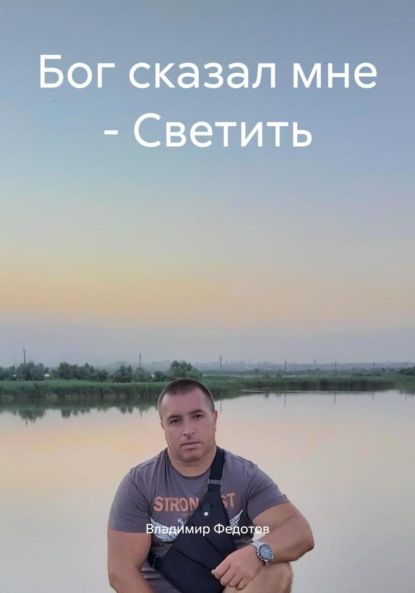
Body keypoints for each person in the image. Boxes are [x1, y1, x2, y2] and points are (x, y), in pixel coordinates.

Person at [107, 378, 314, 593]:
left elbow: (299, 532)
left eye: (197, 416)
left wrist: (257, 552)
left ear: (214, 418)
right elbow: (121, 572)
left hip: (232, 590)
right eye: (175, 421)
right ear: (163, 427)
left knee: (277, 571)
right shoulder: (140, 483)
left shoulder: (245, 476)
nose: (188, 430)